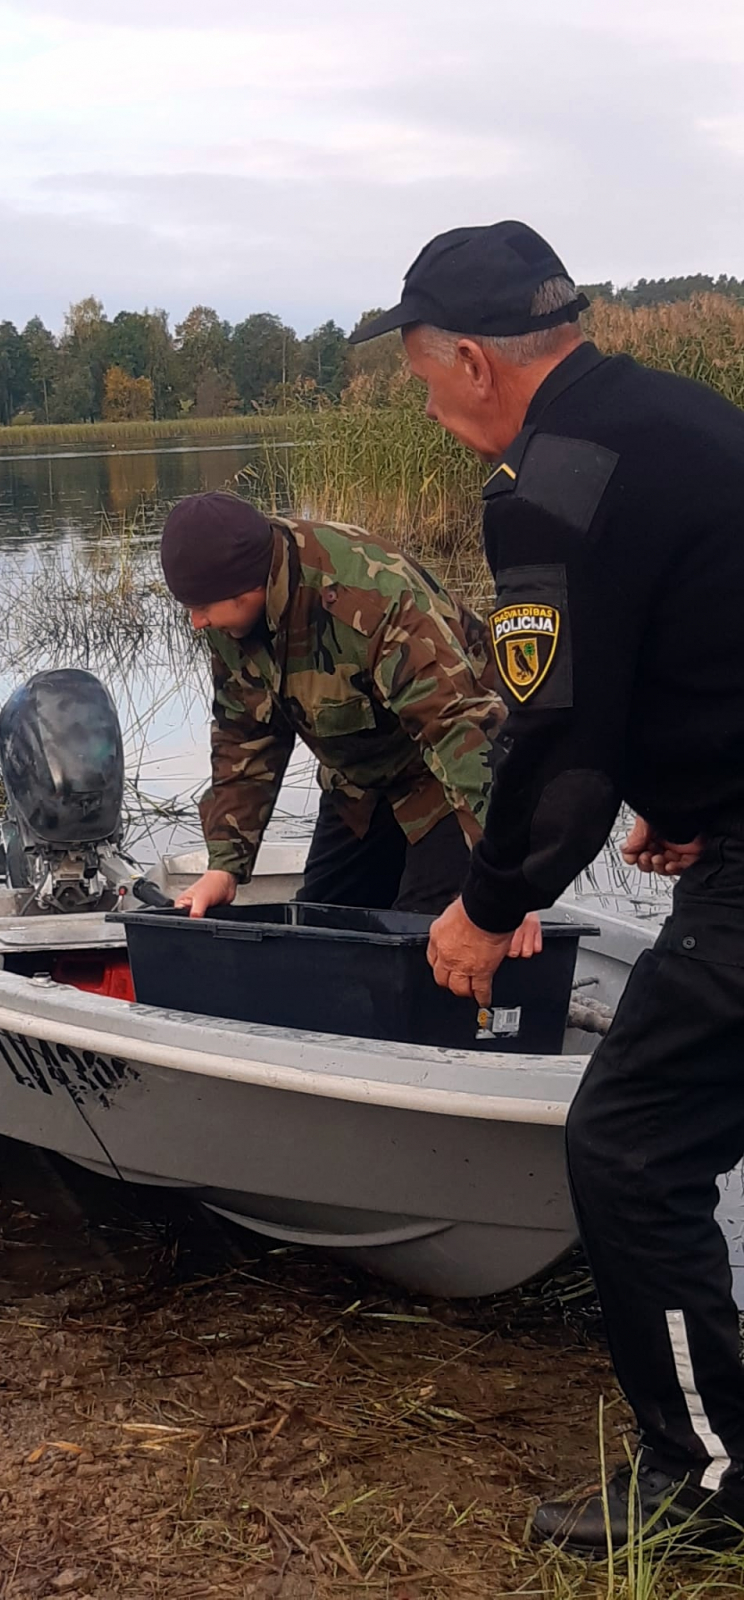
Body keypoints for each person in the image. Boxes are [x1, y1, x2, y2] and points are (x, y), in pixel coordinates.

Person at [352, 218, 744, 1551]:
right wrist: (694, 802)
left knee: (632, 1147)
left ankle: (707, 1494)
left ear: (470, 359)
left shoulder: (548, 481)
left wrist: (489, 905)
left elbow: (558, 749)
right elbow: (700, 628)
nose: (424, 398)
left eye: (418, 374)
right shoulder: (676, 416)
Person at [159, 491, 533, 926]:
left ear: (250, 588)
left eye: (202, 608)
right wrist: (225, 865)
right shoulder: (231, 609)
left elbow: (459, 732)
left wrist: (505, 889)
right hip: (359, 779)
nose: (196, 622)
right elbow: (244, 734)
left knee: (431, 936)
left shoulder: (372, 601)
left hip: (450, 779)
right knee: (319, 925)